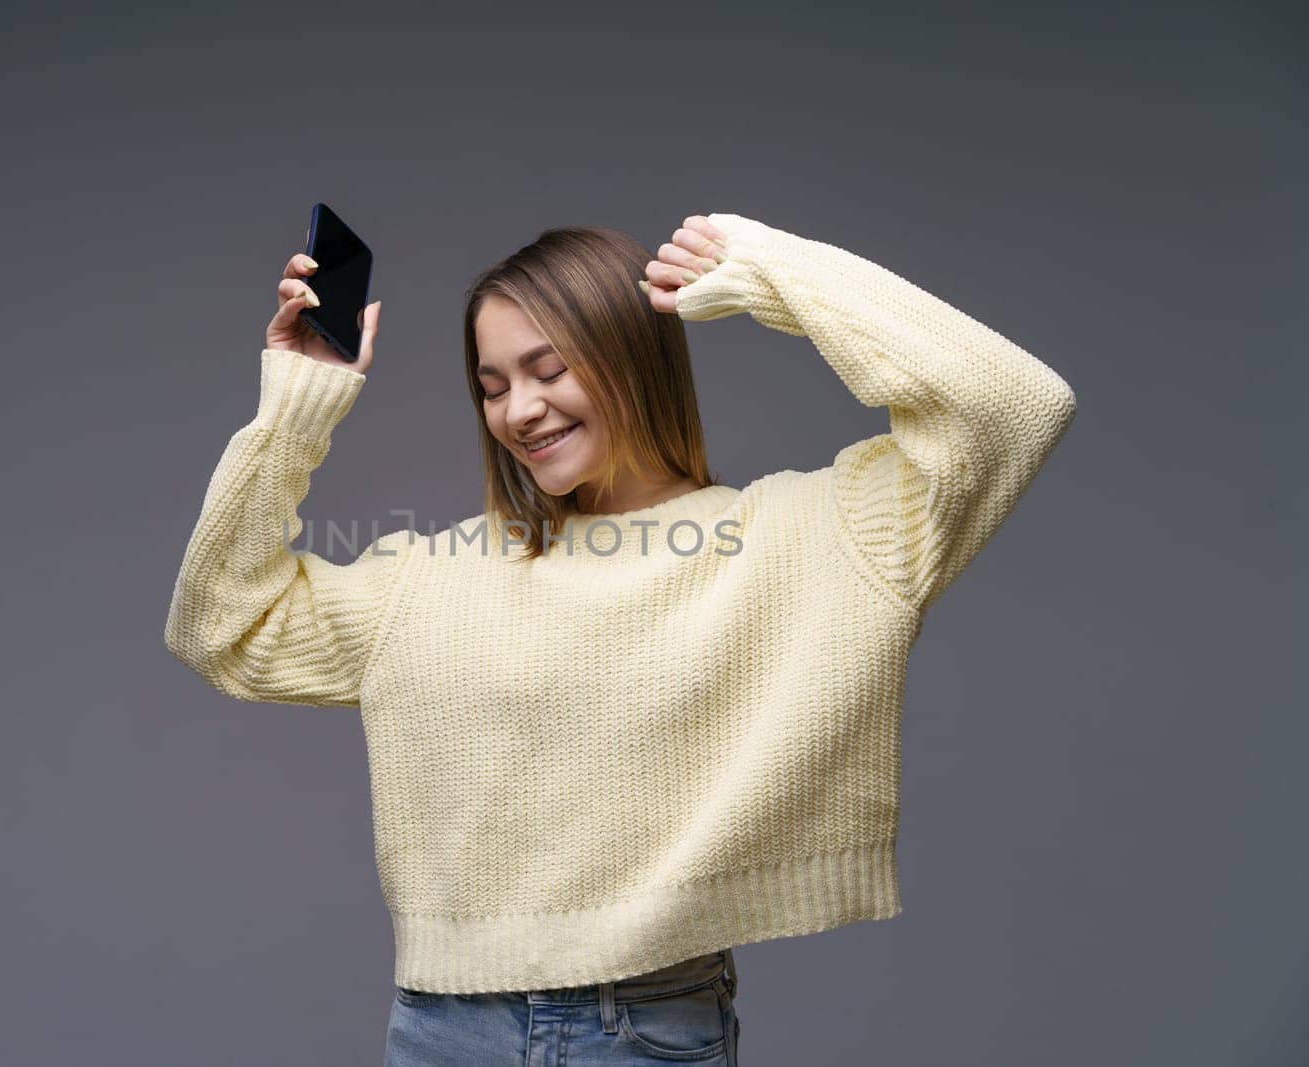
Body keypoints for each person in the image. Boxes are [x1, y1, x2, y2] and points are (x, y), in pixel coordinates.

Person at [163, 212, 1077, 1065]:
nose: (519, 410)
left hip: (640, 1027)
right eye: (492, 386)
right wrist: (297, 404)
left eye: (548, 368)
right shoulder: (429, 577)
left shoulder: (809, 537)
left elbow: (1013, 407)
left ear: (631, 355)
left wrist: (772, 269)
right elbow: (223, 626)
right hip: (439, 1027)